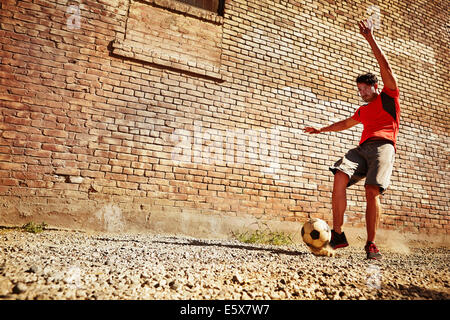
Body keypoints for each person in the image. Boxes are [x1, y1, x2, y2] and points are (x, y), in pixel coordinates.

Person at [303, 19, 400, 260]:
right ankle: (337, 235)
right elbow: (345, 124)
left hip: (383, 147)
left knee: (371, 190)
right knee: (339, 174)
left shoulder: (389, 96)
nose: (362, 93)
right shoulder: (363, 110)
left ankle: (371, 244)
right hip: (363, 149)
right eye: (359, 90)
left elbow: (385, 66)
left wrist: (370, 38)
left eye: (365, 89)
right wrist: (320, 130)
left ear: (375, 86)